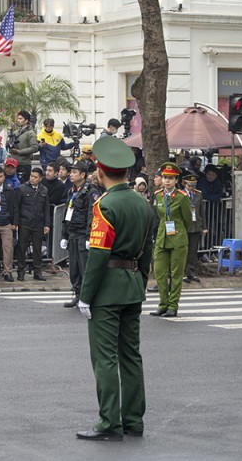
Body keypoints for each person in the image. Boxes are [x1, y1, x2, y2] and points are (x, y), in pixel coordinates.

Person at [75, 135, 154, 441]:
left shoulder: (105, 205)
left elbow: (98, 254)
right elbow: (147, 249)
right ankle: (133, 420)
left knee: (105, 358)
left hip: (107, 290)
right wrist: (141, 280)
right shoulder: (142, 203)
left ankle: (110, 422)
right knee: (131, 356)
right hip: (133, 286)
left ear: (101, 171)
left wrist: (86, 294)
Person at [150, 163, 192, 318]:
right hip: (162, 238)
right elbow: (158, 216)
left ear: (176, 180)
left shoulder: (182, 197)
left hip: (178, 239)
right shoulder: (158, 195)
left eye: (170, 178)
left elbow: (188, 220)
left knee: (176, 274)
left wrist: (179, 232)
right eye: (165, 178)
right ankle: (163, 303)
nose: (167, 181)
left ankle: (173, 305)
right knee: (160, 272)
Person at [61, 160, 101, 308]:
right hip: (72, 233)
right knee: (74, 268)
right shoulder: (71, 191)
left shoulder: (91, 191)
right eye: (71, 172)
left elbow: (93, 215)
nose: (71, 175)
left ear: (83, 175)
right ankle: (77, 295)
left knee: (85, 268)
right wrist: (64, 235)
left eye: (74, 172)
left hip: (83, 235)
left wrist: (90, 236)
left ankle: (88, 297)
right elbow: (67, 213)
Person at [14, 167, 50, 281]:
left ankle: (37, 271)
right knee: (22, 247)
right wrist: (16, 223)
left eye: (35, 177)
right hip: (25, 222)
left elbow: (46, 208)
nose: (32, 179)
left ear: (40, 178)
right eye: (31, 176)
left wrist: (46, 224)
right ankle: (21, 271)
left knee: (37, 248)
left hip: (38, 222)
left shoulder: (44, 190)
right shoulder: (22, 189)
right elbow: (17, 207)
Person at [182, 174, 207, 283]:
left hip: (196, 226)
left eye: (193, 185)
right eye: (189, 185)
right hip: (184, 226)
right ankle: (183, 272)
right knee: (183, 251)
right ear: (184, 184)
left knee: (193, 251)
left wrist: (204, 227)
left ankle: (190, 273)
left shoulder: (198, 194)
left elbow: (202, 211)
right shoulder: (180, 194)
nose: (191, 187)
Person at [197, 164, 226, 250]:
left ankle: (214, 249)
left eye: (213, 174)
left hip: (216, 209)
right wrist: (216, 198)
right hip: (205, 210)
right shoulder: (202, 182)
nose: (210, 176)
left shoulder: (217, 182)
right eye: (209, 174)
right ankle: (205, 250)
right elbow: (204, 195)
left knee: (217, 230)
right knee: (206, 230)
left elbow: (220, 194)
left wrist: (215, 197)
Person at [7, 110, 37, 182]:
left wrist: (19, 151)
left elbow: (34, 148)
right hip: (13, 163)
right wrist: (8, 144)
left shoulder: (31, 133)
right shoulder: (15, 133)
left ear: (26, 120)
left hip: (24, 164)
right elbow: (9, 147)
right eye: (18, 118)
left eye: (21, 119)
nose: (18, 120)